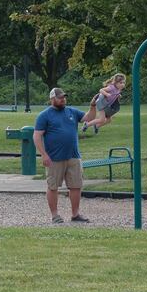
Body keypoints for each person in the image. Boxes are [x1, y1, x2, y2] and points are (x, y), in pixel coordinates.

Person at [34, 87, 89, 224]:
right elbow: (37, 135)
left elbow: (88, 118)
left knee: (76, 185)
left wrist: (93, 106)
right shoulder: (44, 115)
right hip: (54, 158)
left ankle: (75, 214)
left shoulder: (72, 111)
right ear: (52, 99)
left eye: (64, 97)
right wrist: (43, 154)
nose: (63, 99)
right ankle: (55, 215)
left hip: (73, 155)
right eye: (60, 97)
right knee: (53, 186)